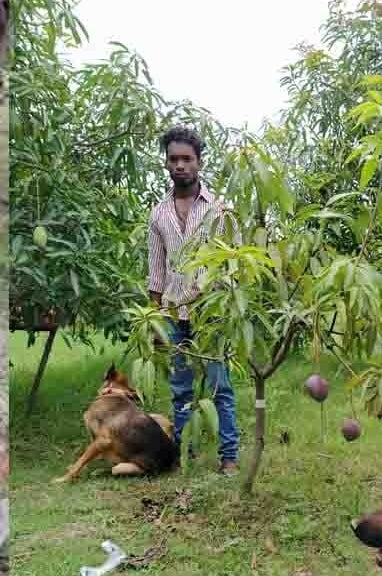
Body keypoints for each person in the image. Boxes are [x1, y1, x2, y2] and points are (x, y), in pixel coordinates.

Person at [147, 125, 240, 475]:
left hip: (211, 312)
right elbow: (155, 272)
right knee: (180, 388)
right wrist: (153, 320)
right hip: (173, 314)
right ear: (166, 164)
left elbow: (232, 259)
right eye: (173, 159)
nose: (180, 165)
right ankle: (184, 455)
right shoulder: (158, 214)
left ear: (199, 162)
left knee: (220, 385)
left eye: (187, 159)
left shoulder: (220, 208)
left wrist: (211, 293)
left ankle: (229, 457)